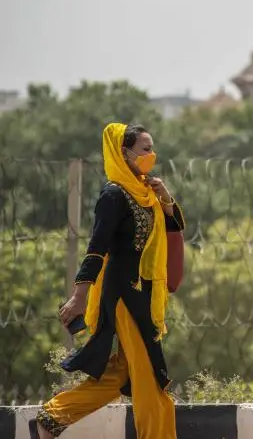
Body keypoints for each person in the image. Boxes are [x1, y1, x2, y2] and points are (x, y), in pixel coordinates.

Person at [34, 123, 184, 439]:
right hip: (123, 296)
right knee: (150, 376)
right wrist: (79, 296)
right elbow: (97, 247)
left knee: (120, 373)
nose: (151, 155)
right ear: (123, 152)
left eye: (152, 148)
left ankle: (52, 418)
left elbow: (169, 232)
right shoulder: (113, 195)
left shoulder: (147, 191)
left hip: (145, 295)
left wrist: (167, 201)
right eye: (145, 149)